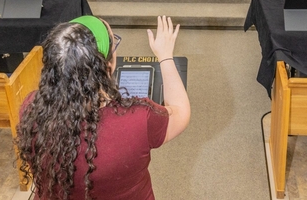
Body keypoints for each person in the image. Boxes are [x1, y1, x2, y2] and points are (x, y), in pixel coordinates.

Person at [15, 15, 190, 200]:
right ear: (108, 66)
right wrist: (165, 56)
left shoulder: (31, 108)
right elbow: (181, 110)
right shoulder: (140, 118)